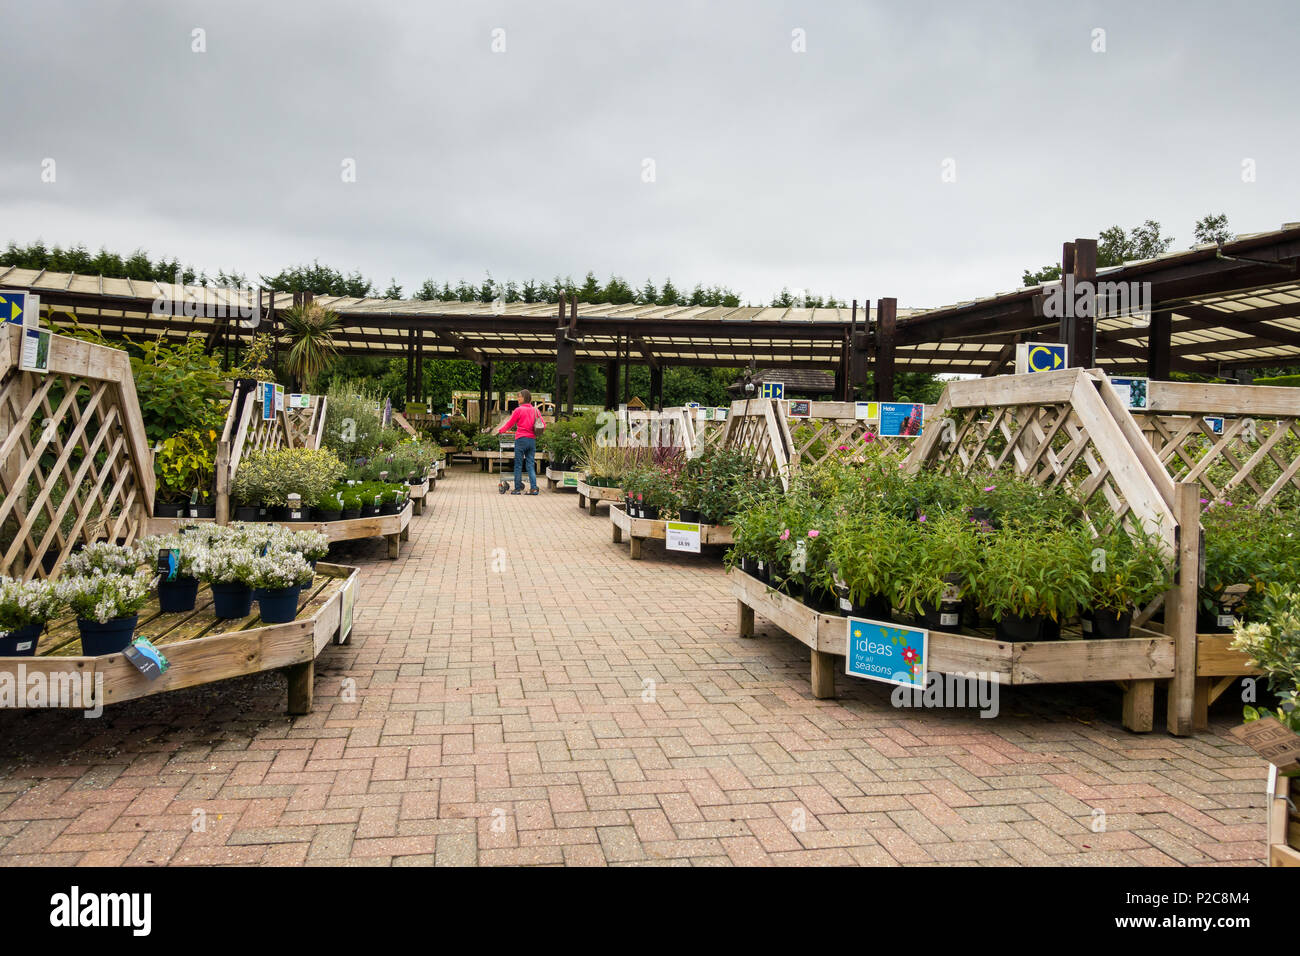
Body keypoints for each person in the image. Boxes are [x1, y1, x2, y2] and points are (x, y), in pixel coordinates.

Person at [496, 389, 546, 495]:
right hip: (531, 440)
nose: (518, 399)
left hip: (521, 440)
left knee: (518, 465)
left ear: (524, 398)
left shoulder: (518, 410)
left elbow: (510, 424)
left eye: (519, 397)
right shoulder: (535, 410)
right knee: (530, 465)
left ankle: (517, 489)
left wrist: (500, 431)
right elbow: (543, 425)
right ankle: (534, 488)